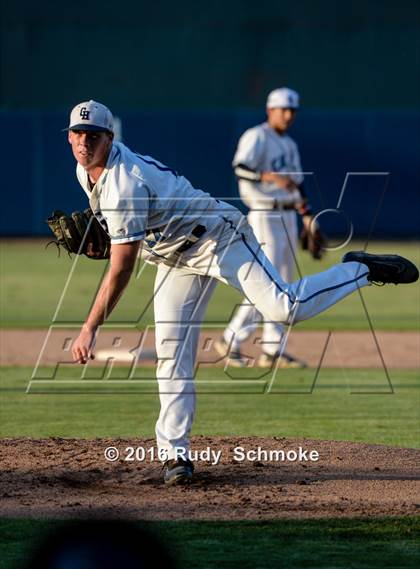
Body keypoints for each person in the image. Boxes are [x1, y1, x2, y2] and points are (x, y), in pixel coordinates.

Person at [67, 100, 418, 486]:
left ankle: (361, 269)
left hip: (218, 238)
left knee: (285, 307)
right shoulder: (88, 173)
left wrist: (89, 327)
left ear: (109, 138)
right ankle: (174, 455)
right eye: (78, 134)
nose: (85, 143)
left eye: (94, 136)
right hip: (175, 260)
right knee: (172, 354)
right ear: (69, 138)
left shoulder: (124, 183)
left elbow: (122, 268)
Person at [215, 87, 311, 368]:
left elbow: (298, 183)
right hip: (264, 214)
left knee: (285, 284)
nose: (289, 115)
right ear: (270, 110)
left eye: (292, 110)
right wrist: (266, 175)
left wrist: (307, 217)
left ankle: (272, 350)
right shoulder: (257, 136)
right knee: (268, 283)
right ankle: (230, 338)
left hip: (288, 215)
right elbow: (240, 167)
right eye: (284, 109)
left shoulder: (290, 145)